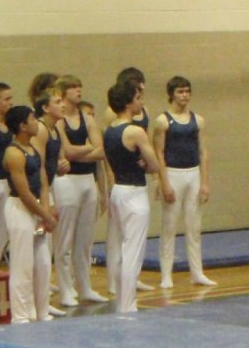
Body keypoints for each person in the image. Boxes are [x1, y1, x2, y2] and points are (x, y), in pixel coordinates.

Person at [153, 76, 215, 289]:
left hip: (193, 174)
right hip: (173, 173)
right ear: (171, 94)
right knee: (169, 226)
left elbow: (203, 152)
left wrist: (205, 182)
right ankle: (166, 275)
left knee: (194, 226)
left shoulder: (197, 120)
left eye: (187, 91)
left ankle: (197, 272)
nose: (185, 95)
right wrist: (163, 182)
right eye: (180, 92)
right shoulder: (162, 121)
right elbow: (158, 153)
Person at [52, 75, 108, 306]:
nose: (78, 91)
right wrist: (88, 148)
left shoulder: (87, 117)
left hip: (87, 180)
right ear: (63, 95)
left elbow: (101, 151)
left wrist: (79, 150)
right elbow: (67, 151)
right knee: (64, 239)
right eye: (73, 88)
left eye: (79, 86)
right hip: (66, 182)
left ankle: (84, 287)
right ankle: (66, 290)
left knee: (85, 240)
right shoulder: (59, 121)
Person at [103, 80, 159, 313]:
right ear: (128, 103)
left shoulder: (109, 130)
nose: (142, 102)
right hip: (134, 194)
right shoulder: (136, 131)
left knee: (121, 249)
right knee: (132, 252)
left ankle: (123, 302)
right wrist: (146, 164)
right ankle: (128, 306)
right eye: (139, 98)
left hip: (118, 190)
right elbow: (154, 164)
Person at [3, 105, 58, 323]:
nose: (37, 123)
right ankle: (20, 316)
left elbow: (43, 180)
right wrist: (45, 216)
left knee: (43, 264)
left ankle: (41, 311)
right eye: (33, 119)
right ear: (22, 126)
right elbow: (24, 193)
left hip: (37, 208)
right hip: (19, 208)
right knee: (22, 264)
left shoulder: (33, 148)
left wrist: (46, 209)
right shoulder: (13, 153)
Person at [32, 89, 70, 317]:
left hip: (49, 189)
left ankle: (42, 301)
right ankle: (37, 304)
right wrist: (46, 204)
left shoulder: (56, 129)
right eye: (57, 102)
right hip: (38, 193)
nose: (62, 105)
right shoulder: (41, 131)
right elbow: (37, 168)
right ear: (46, 108)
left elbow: (51, 167)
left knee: (45, 253)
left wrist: (62, 166)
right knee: (39, 252)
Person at [0, 82, 15, 268]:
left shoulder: (9, 126)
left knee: (2, 234)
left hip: (7, 183)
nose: (11, 102)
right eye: (7, 99)